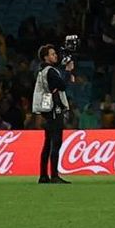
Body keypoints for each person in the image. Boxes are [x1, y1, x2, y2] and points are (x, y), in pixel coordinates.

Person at [30, 43, 72, 185]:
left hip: (47, 109)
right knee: (56, 142)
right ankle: (54, 175)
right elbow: (61, 85)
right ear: (46, 57)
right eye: (52, 54)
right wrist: (67, 71)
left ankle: (43, 175)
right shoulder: (50, 71)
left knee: (48, 143)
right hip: (54, 109)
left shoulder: (43, 70)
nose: (55, 56)